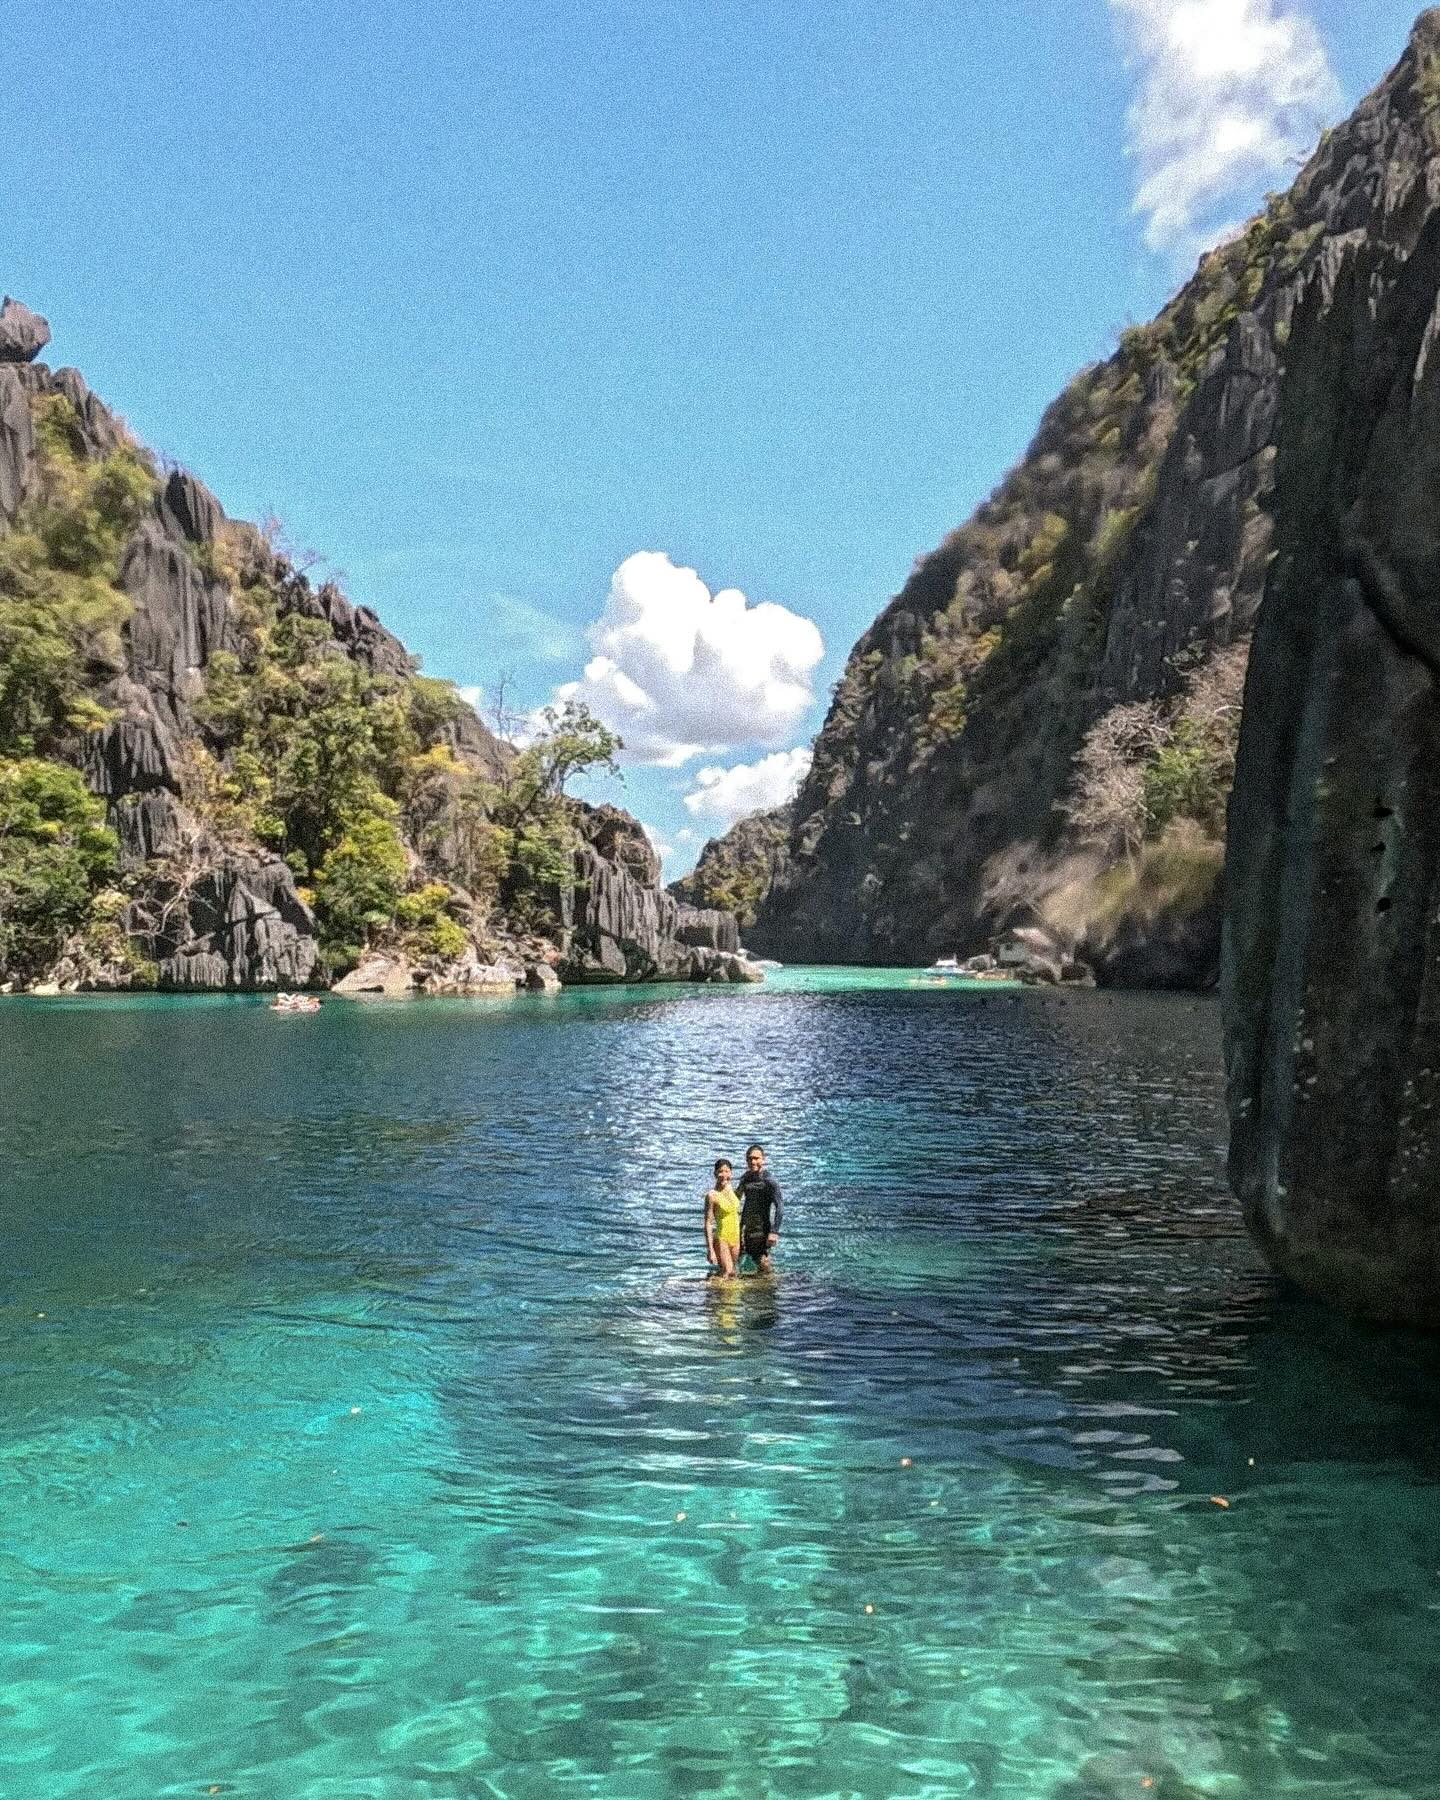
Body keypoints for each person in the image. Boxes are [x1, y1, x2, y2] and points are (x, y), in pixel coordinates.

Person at [736, 1142, 783, 1272]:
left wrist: (774, 1231)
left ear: (763, 1159)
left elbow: (779, 1206)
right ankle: (756, 1287)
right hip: (745, 1228)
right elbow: (735, 1199)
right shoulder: (745, 1178)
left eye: (756, 1158)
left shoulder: (769, 1181)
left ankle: (770, 1287)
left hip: (761, 1229)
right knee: (741, 1257)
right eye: (750, 1158)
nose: (753, 1161)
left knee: (762, 1260)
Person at [703, 1158, 743, 1278]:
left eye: (727, 1171)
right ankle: (718, 1294)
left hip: (735, 1238)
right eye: (720, 1171)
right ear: (715, 1174)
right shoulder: (712, 1195)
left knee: (732, 1273)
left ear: (731, 1173)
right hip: (722, 1238)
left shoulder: (733, 1190)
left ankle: (715, 1294)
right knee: (728, 1271)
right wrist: (710, 1249)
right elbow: (708, 1223)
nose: (724, 1175)